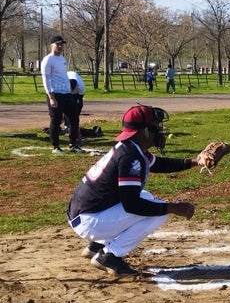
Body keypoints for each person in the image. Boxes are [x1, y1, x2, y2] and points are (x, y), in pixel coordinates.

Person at [66, 105, 198, 276]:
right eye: (156, 126)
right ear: (145, 131)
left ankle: (96, 245)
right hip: (89, 220)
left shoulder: (130, 147)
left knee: (147, 197)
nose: (159, 131)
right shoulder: (130, 157)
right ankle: (109, 256)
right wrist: (173, 207)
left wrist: (196, 161)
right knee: (159, 210)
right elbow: (132, 205)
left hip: (85, 213)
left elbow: (159, 164)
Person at [41, 35, 81, 153]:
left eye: (61, 44)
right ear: (51, 45)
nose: (60, 46)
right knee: (56, 120)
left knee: (73, 119)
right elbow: (46, 79)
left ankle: (72, 144)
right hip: (55, 94)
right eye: (57, 44)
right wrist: (51, 97)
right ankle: (56, 146)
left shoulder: (62, 59)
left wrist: (69, 90)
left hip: (66, 94)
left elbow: (63, 76)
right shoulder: (48, 60)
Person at [64, 70, 85, 147]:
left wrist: (76, 115)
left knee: (75, 114)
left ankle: (73, 127)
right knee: (66, 110)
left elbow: (80, 99)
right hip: (65, 93)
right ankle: (67, 125)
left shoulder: (81, 87)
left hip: (77, 95)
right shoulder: (64, 84)